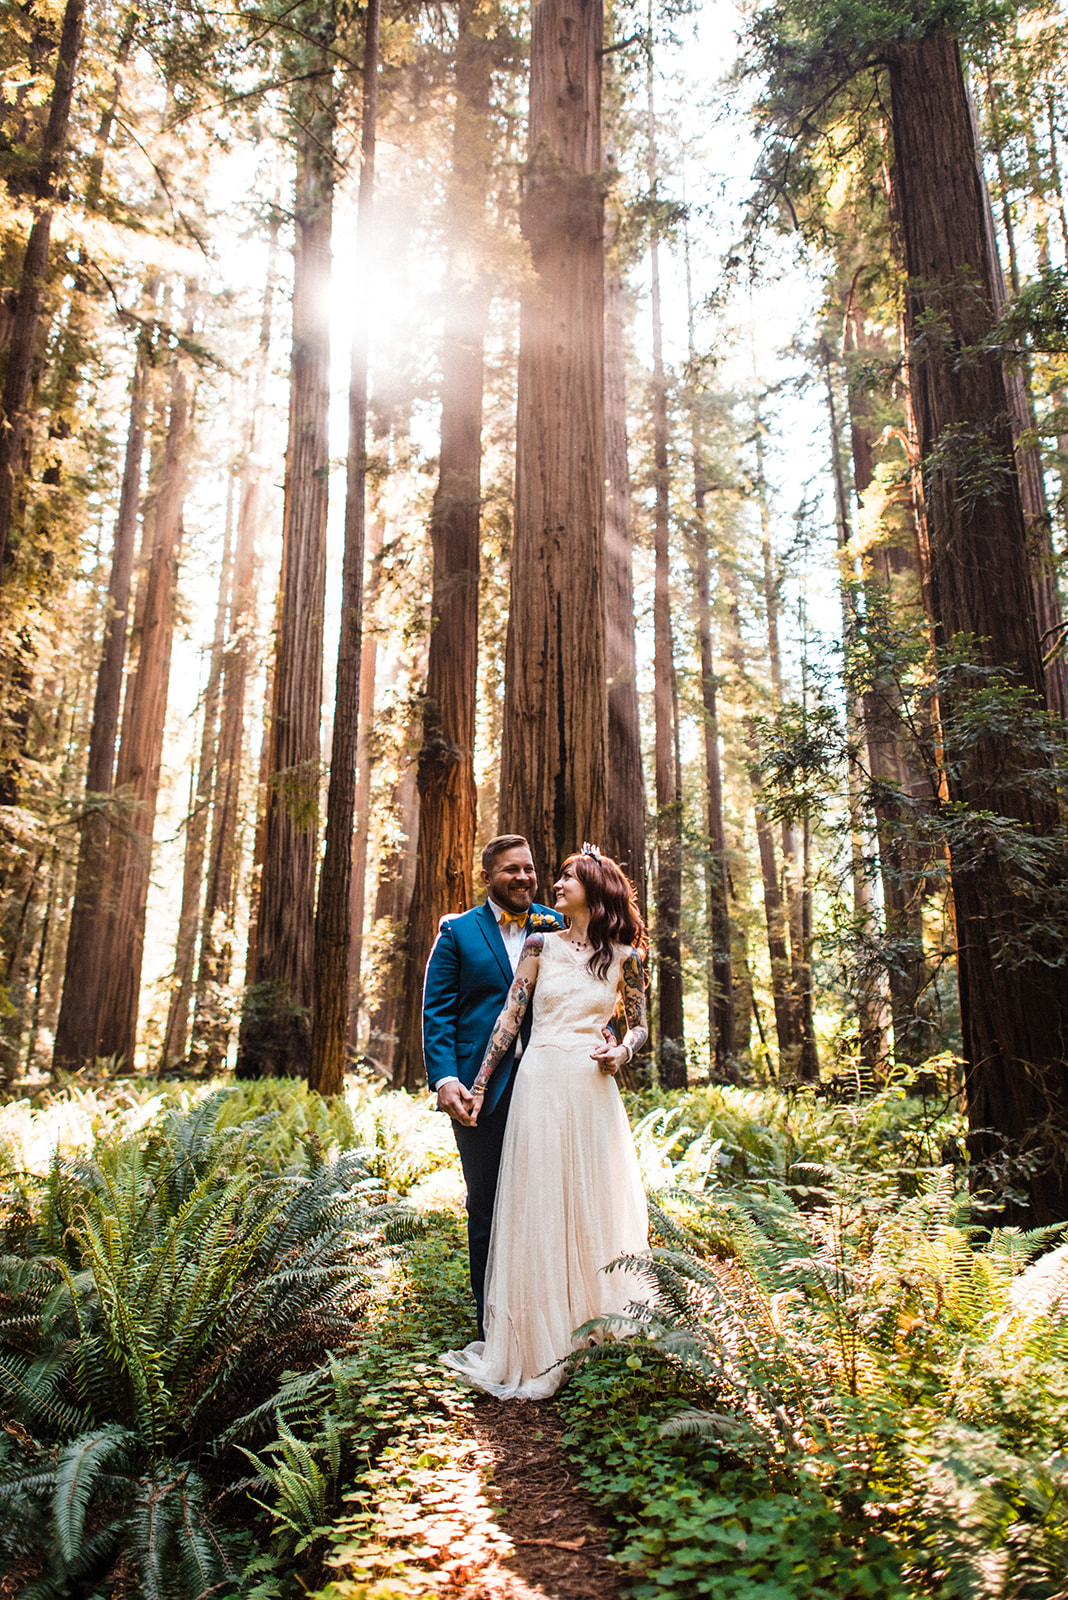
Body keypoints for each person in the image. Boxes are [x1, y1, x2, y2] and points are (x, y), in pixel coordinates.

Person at [441, 843, 650, 1401]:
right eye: (552, 876)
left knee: (592, 1202)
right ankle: (534, 1335)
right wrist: (479, 1086)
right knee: (537, 1204)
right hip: (538, 1085)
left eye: (566, 878)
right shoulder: (539, 942)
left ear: (594, 889)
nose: (553, 885)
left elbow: (638, 1027)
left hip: (592, 1090)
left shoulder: (626, 958)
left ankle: (595, 1326)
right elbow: (509, 1021)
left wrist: (621, 1052)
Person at [422, 835, 564, 1336]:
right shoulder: (457, 932)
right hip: (480, 1094)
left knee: (547, 1202)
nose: (524, 877)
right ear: (488, 877)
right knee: (486, 1203)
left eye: (529, 868)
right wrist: (445, 1079)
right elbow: (437, 1012)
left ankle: (544, 1316)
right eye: (511, 870)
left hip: (550, 1087)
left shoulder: (559, 924)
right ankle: (494, 1325)